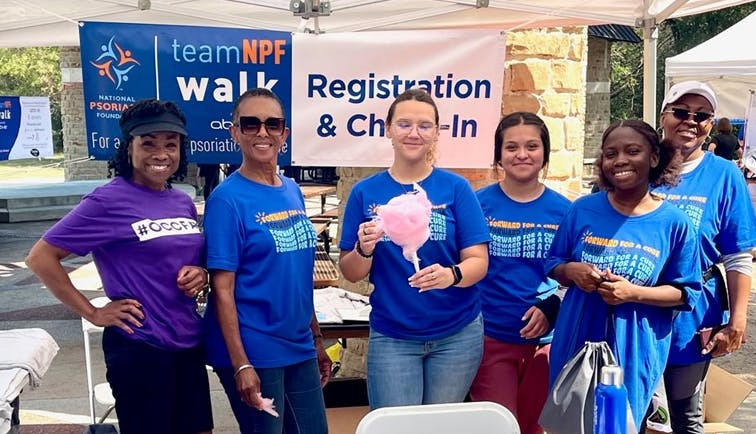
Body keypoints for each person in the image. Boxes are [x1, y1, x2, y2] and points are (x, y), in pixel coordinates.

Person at [25, 99, 213, 434]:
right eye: (148, 143)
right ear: (129, 147)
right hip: (140, 346)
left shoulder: (182, 200)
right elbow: (40, 257)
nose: (161, 154)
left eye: (171, 144)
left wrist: (200, 274)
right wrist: (94, 312)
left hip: (186, 341)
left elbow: (185, 258)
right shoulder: (107, 201)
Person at [338, 88, 490, 409]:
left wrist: (452, 275)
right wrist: (364, 249)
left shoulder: (456, 188)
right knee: (396, 427)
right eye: (404, 124)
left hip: (456, 335)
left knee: (438, 429)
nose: (414, 133)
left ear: (436, 133)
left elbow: (479, 261)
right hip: (394, 335)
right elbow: (350, 272)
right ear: (388, 129)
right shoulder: (366, 192)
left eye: (424, 126)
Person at [546, 120, 703, 430]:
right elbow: (553, 262)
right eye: (610, 153)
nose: (619, 160)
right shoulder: (582, 210)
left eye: (633, 151)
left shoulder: (674, 223)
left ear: (654, 158)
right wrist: (572, 271)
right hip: (576, 340)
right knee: (568, 425)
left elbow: (686, 293)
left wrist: (633, 293)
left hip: (635, 348)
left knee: (618, 425)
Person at [202, 88, 330, 434]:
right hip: (256, 347)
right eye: (251, 123)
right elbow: (222, 290)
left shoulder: (291, 189)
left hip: (298, 343)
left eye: (273, 124)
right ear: (235, 131)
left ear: (284, 134)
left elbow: (297, 276)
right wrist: (240, 363)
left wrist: (317, 339)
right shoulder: (226, 201)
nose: (263, 132)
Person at [655, 81, 756, 434]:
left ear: (712, 124)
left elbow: (738, 256)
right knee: (630, 413)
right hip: (635, 310)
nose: (690, 121)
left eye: (702, 116)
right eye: (681, 112)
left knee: (684, 416)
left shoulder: (724, 175)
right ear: (664, 116)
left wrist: (738, 320)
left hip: (693, 315)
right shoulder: (642, 166)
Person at [469, 112, 570, 434]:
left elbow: (577, 276)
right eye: (511, 147)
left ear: (545, 154)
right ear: (499, 155)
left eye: (531, 146)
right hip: (490, 336)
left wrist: (552, 306)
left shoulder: (567, 210)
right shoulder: (476, 204)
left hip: (548, 343)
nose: (522, 154)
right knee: (498, 426)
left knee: (533, 427)